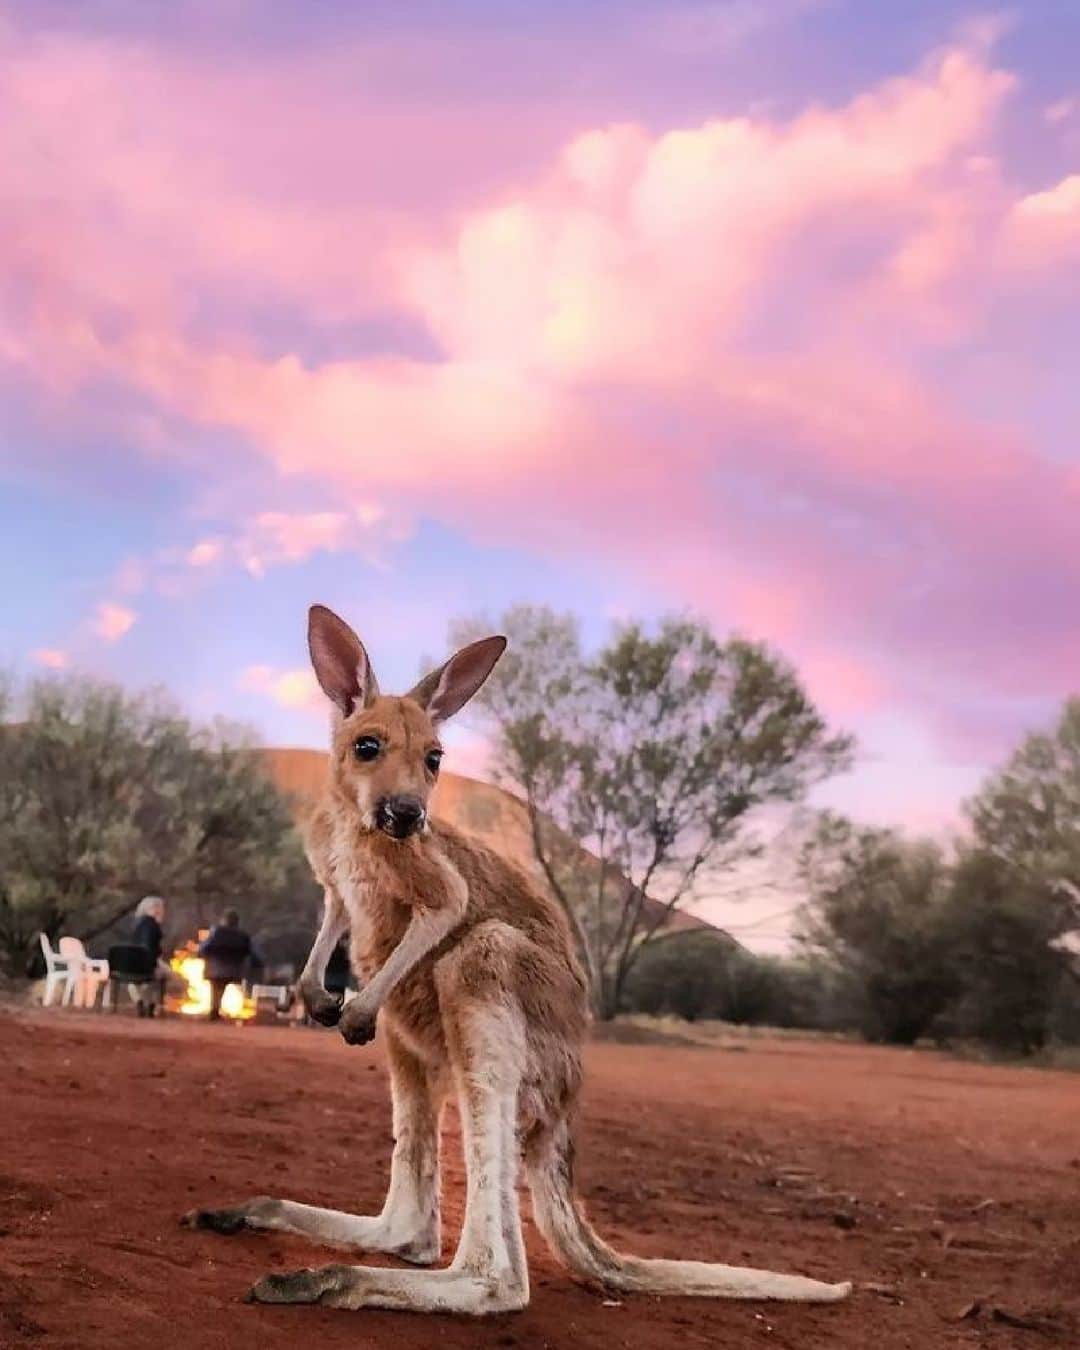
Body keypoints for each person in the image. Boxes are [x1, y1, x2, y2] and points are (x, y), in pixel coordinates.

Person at [198, 908, 262, 1020]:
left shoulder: (216, 933)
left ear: (223, 920)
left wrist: (202, 955)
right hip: (234, 971)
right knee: (221, 986)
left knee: (216, 988)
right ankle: (217, 1010)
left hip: (215, 970)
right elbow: (251, 952)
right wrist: (257, 965)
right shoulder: (242, 936)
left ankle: (214, 1011)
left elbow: (205, 948)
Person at [131, 895, 170, 1017]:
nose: (159, 910)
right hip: (148, 963)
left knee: (132, 982)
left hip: (131, 963)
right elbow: (151, 949)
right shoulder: (153, 926)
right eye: (156, 908)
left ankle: (139, 1001)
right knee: (166, 974)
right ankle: (152, 1004)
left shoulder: (135, 924)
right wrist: (155, 965)